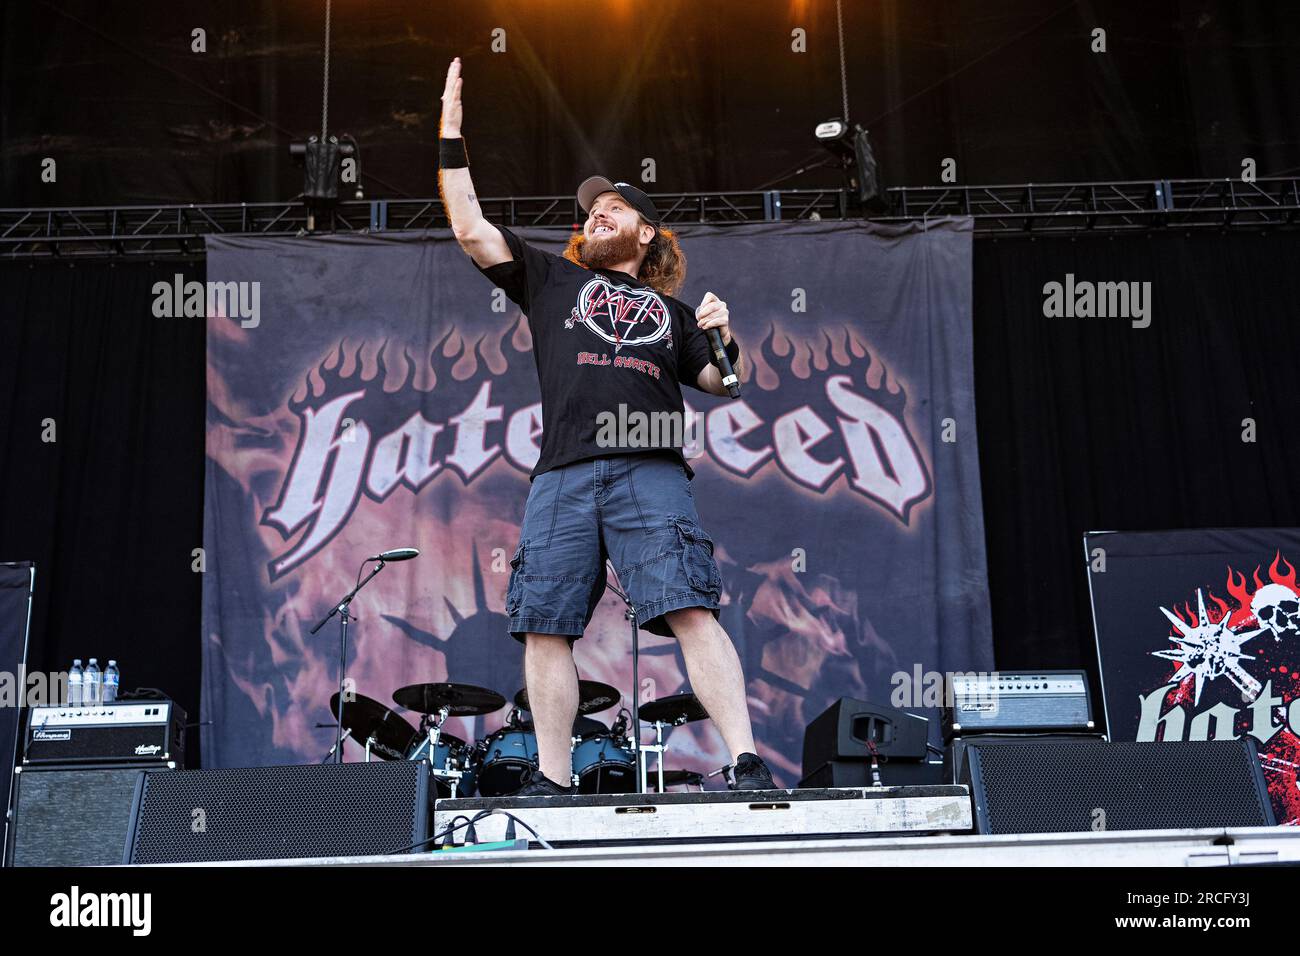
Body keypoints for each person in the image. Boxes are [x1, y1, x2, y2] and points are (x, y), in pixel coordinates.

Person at [436, 56, 776, 794]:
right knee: (545, 624)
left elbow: (724, 384)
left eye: (614, 207)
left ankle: (745, 761)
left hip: (649, 467)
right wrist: (450, 134)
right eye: (592, 209)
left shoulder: (675, 315)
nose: (597, 213)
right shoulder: (552, 279)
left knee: (688, 607)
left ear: (647, 232)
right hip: (562, 472)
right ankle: (551, 779)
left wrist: (727, 334)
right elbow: (468, 227)